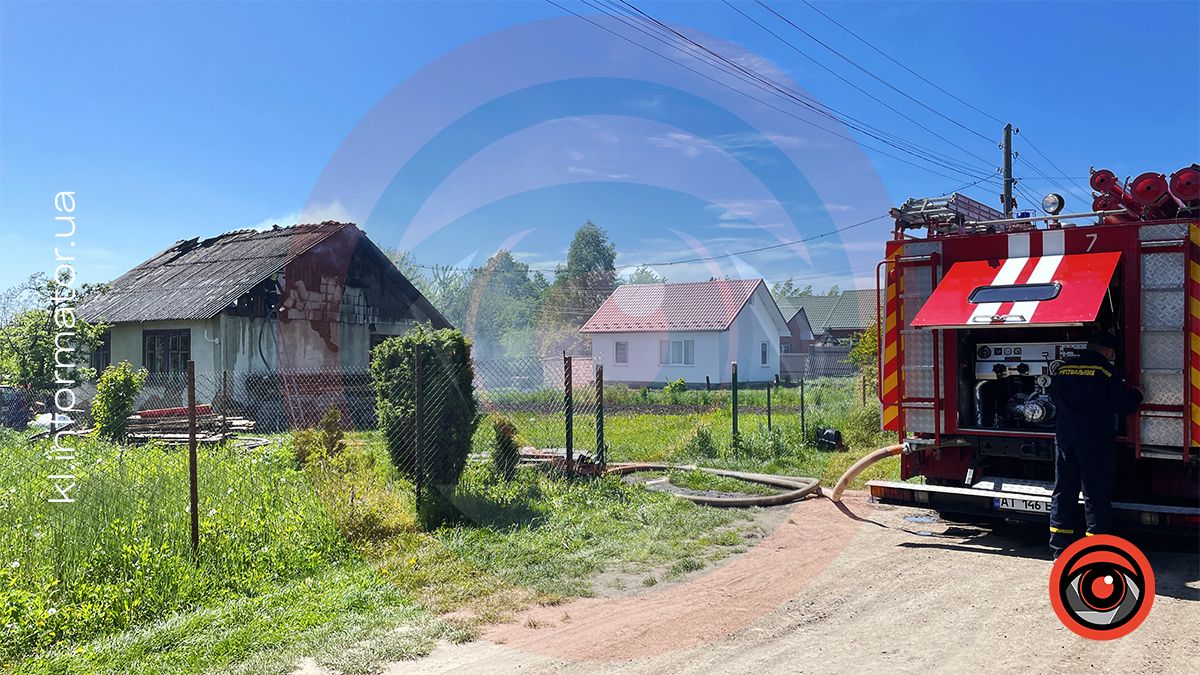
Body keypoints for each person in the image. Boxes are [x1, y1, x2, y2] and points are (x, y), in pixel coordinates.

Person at [1046, 331, 1142, 558]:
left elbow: (1053, 397)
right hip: (1094, 442)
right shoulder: (1106, 371)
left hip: (1065, 440)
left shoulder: (1063, 369)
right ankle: (1095, 551)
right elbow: (1123, 405)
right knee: (1095, 495)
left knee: (1063, 492)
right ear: (1108, 351)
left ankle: (1059, 550)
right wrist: (1137, 394)